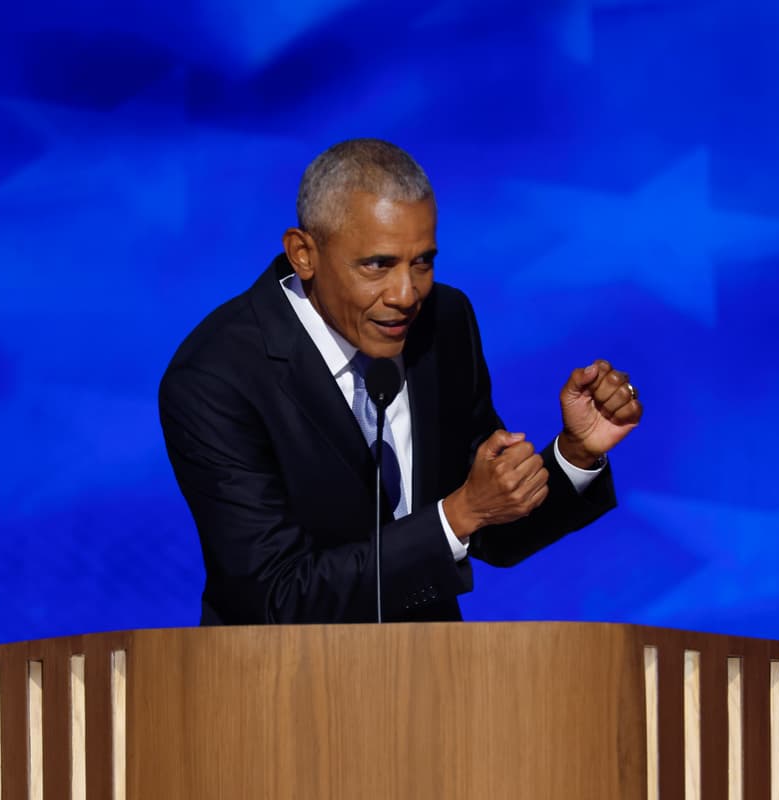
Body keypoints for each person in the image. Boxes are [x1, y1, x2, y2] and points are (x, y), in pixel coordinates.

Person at [158, 139, 642, 625]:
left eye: (423, 262)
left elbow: (491, 528)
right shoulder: (216, 378)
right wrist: (455, 515)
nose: (407, 294)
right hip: (282, 686)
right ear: (304, 253)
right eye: (378, 265)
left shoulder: (445, 323)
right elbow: (275, 596)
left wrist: (575, 456)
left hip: (430, 680)